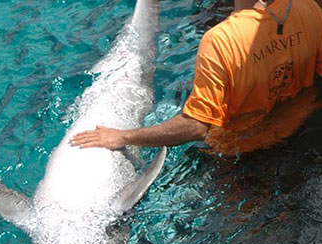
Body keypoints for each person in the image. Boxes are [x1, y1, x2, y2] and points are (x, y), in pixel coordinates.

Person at [70, 0, 322, 156]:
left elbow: (196, 126)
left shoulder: (221, 40)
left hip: (242, 154)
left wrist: (123, 136)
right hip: (299, 132)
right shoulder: (309, 9)